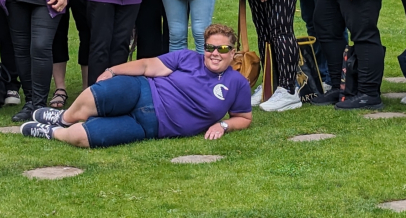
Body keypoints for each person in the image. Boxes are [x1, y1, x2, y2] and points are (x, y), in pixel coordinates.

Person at [20, 24, 252, 148]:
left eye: (222, 49)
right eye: (210, 47)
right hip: (142, 91)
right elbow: (147, 66)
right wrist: (113, 70)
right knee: (96, 95)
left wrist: (223, 125)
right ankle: (64, 117)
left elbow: (244, 117)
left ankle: (54, 132)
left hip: (149, 126)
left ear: (233, 52)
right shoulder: (187, 58)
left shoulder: (238, 83)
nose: (214, 54)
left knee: (84, 138)